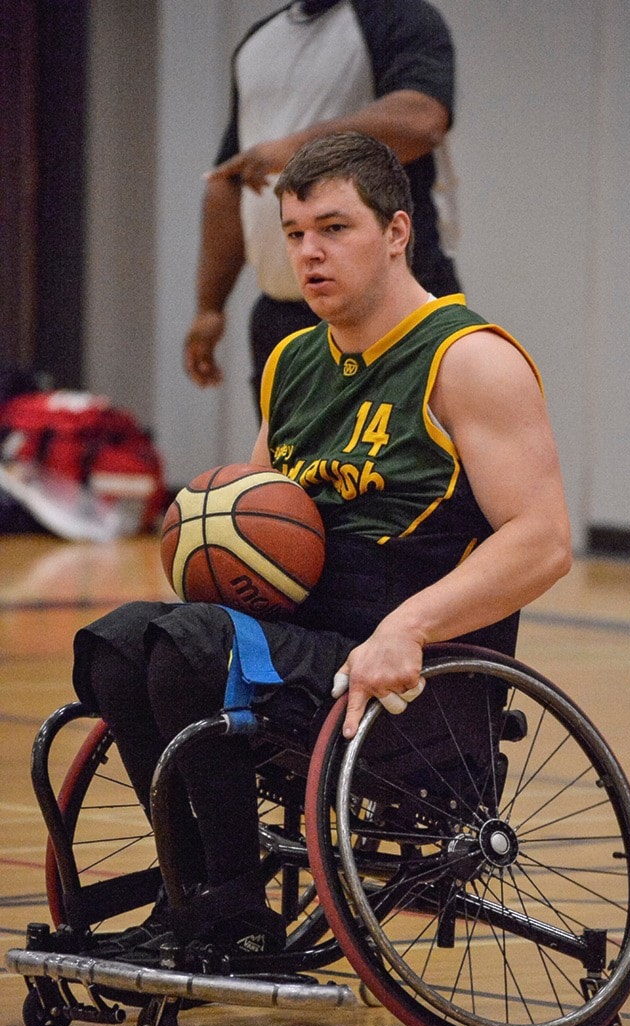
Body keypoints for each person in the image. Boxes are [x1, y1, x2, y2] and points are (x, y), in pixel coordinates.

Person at [72, 133, 571, 965]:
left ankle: (231, 905)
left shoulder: (468, 359)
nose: (308, 253)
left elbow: (543, 540)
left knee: (193, 647)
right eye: (295, 232)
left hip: (413, 671)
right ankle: (191, 890)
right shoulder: (292, 362)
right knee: (126, 642)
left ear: (398, 232)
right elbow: (261, 520)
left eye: (333, 228)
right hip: (301, 646)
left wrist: (406, 628)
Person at [183, 0, 462, 413]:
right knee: (287, 474)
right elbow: (229, 180)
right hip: (285, 315)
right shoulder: (258, 43)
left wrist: (293, 148)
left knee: (404, 471)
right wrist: (209, 306)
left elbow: (421, 121)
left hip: (393, 312)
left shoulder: (400, 17)